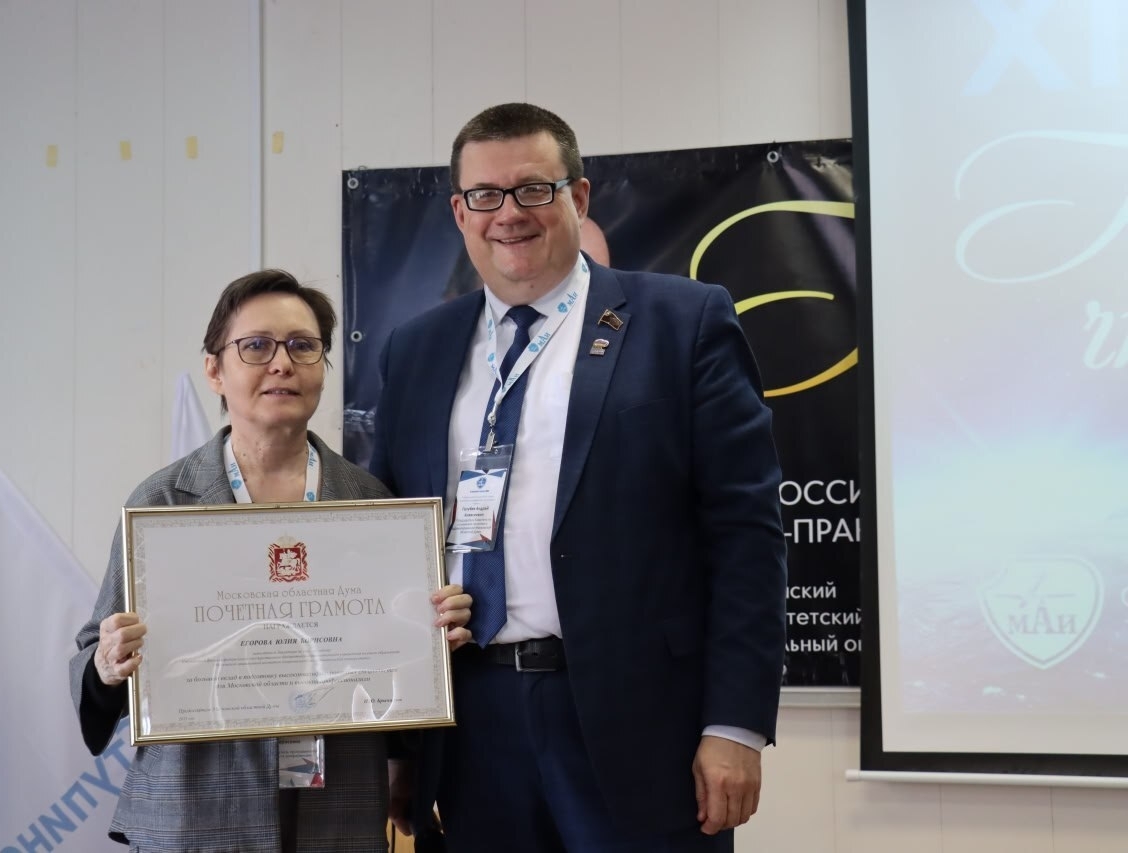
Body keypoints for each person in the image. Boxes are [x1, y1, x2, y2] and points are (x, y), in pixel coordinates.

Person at [370, 103, 787, 852]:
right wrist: (402, 744)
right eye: (486, 195)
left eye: (534, 189)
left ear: (579, 197)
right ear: (461, 213)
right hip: (471, 724)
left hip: (640, 723)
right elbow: (392, 543)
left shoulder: (682, 321)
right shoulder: (416, 350)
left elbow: (746, 535)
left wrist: (735, 725)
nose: (510, 214)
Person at [69, 269, 473, 853]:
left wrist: (429, 642)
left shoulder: (373, 506)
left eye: (303, 346)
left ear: (323, 368)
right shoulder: (163, 502)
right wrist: (108, 663)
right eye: (256, 346)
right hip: (196, 808)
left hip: (337, 808)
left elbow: (394, 681)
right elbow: (93, 652)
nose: (282, 363)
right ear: (215, 370)